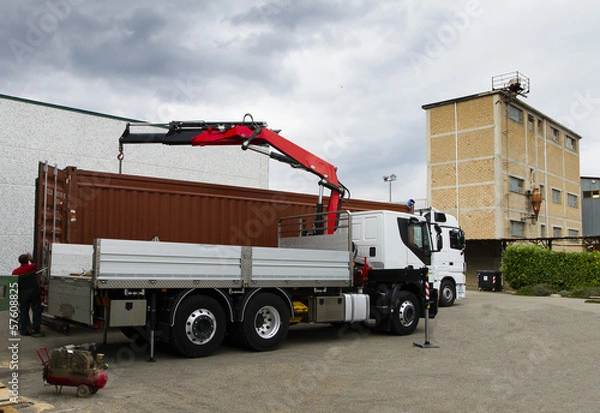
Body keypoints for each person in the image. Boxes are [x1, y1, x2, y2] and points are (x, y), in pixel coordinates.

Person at [12, 253, 45, 337]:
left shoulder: (16, 272)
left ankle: (24, 330)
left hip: (23, 294)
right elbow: (36, 264)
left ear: (19, 262)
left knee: (24, 311)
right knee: (36, 310)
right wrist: (31, 258)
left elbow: (14, 284)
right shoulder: (31, 267)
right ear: (27, 260)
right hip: (34, 292)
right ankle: (36, 330)